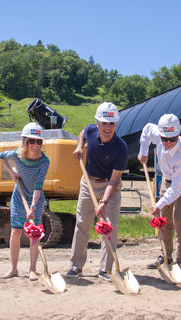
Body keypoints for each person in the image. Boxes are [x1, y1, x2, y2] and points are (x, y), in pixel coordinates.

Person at [66, 102, 129, 281]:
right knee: (82, 223)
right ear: (97, 123)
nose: (108, 127)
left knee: (109, 227)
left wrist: (103, 203)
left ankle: (105, 270)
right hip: (88, 182)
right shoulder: (91, 131)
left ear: (116, 124)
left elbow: (115, 181)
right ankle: (76, 265)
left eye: (112, 124)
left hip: (110, 186)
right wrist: (79, 146)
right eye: (104, 123)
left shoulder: (121, 148)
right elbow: (82, 134)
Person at [138, 114, 181, 274]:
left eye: (172, 139)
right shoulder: (155, 132)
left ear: (178, 135)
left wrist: (158, 204)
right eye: (164, 139)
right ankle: (166, 256)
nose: (168, 143)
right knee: (164, 220)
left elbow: (176, 190)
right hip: (167, 179)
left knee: (178, 219)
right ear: (160, 135)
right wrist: (143, 151)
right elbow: (145, 131)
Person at [0, 122, 50, 281]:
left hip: (36, 198)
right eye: (31, 141)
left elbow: (38, 185)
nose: (35, 145)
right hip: (19, 196)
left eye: (38, 141)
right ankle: (13, 268)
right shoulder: (16, 155)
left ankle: (33, 270)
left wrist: (33, 207)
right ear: (25, 141)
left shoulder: (44, 161)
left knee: (34, 234)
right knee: (16, 232)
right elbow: (1, 156)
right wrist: (12, 172)